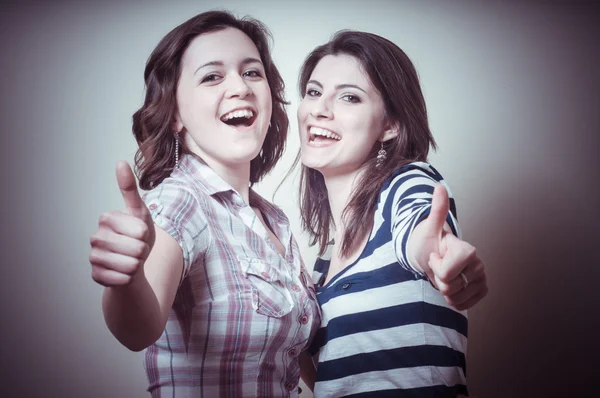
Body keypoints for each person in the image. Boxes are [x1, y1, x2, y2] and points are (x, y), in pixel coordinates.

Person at [88, 11, 321, 397]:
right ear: (175, 114)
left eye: (252, 73)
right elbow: (137, 329)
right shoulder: (180, 200)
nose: (241, 87)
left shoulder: (274, 220)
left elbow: (297, 354)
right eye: (212, 76)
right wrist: (125, 282)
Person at [295, 30, 488, 397]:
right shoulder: (324, 260)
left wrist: (437, 254)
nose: (319, 109)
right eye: (314, 92)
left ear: (391, 124)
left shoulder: (407, 184)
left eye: (349, 97)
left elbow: (420, 232)